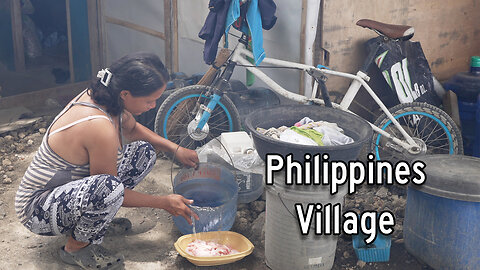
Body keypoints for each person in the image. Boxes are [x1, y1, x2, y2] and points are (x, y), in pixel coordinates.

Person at [15, 52, 200, 269]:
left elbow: (131, 128)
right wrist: (164, 202)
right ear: (125, 94)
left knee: (143, 152)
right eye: (149, 100)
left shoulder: (106, 96)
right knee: (108, 189)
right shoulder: (98, 126)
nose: (153, 105)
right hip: (37, 209)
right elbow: (110, 190)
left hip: (66, 193)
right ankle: (77, 248)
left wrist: (175, 148)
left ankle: (93, 223)